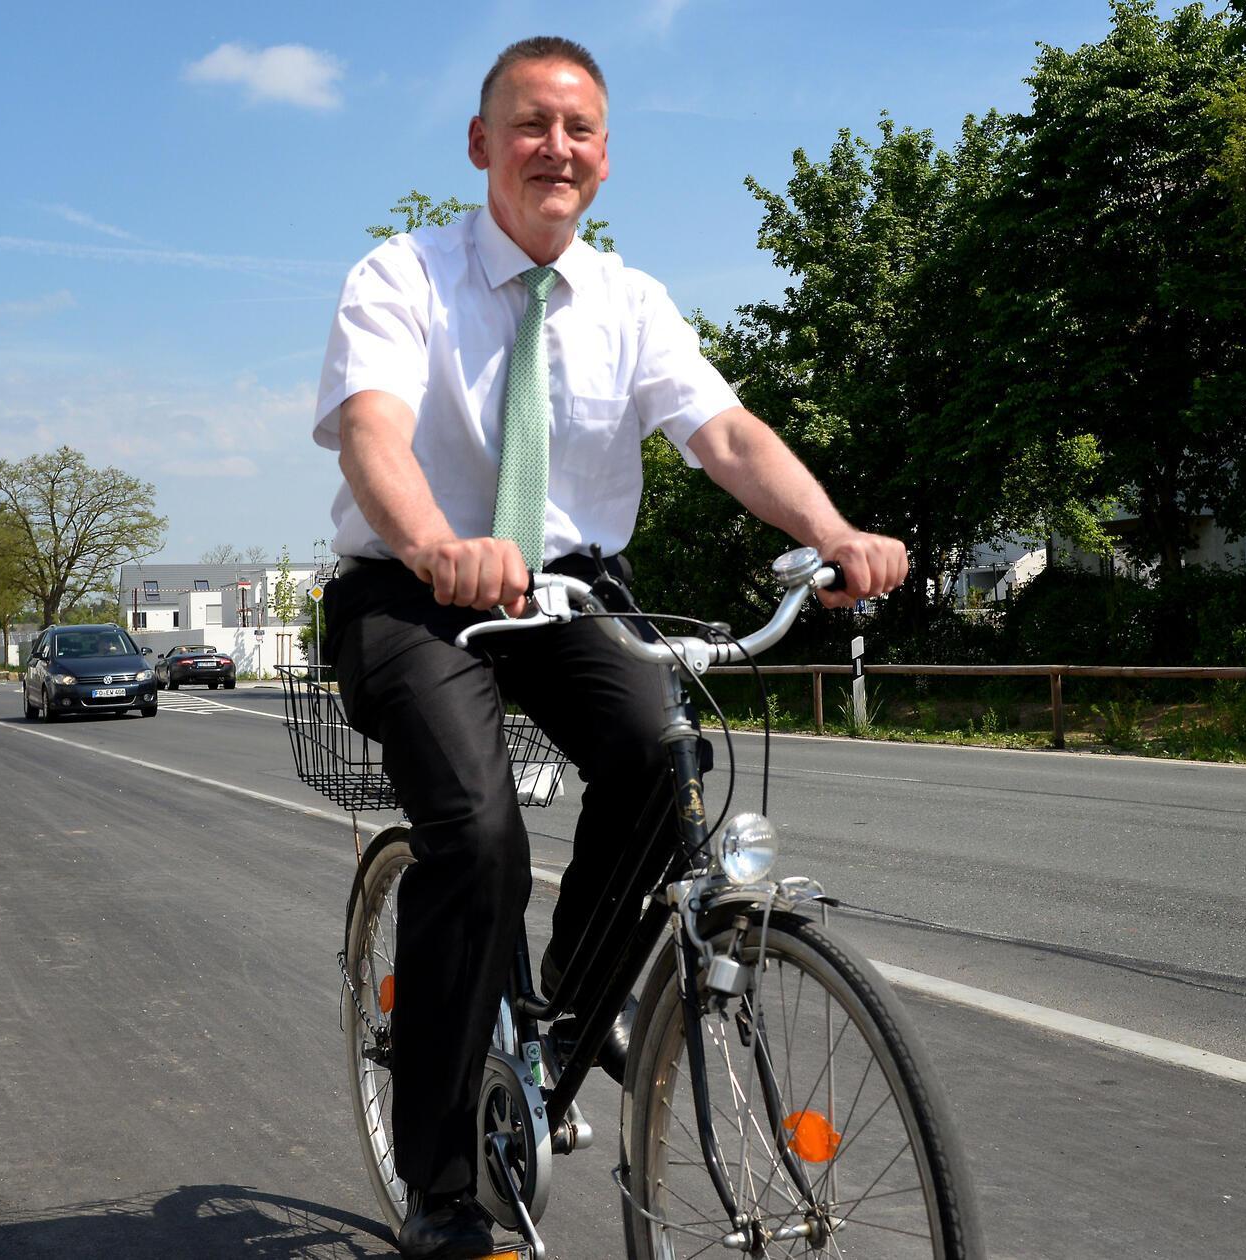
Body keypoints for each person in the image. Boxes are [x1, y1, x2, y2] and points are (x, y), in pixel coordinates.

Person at [314, 36, 908, 1259]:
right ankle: (439, 1188)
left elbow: (726, 436)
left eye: (579, 130)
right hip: (414, 588)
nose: (556, 148)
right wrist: (435, 541)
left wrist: (835, 530)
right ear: (481, 146)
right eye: (530, 125)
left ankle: (561, 1028)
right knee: (475, 832)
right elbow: (372, 433)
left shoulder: (629, 302)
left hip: (570, 590)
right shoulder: (401, 276)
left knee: (663, 759)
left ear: (604, 157)